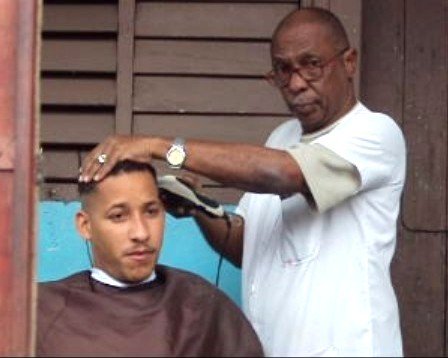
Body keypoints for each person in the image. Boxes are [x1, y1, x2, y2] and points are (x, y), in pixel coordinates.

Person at [79, 7, 406, 357]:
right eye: (283, 70)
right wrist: (197, 207)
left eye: (312, 64)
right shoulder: (282, 137)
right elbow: (244, 245)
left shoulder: (373, 133)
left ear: (349, 62)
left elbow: (285, 174)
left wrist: (160, 147)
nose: (296, 83)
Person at [36, 160, 264, 357]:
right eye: (118, 216)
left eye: (151, 212)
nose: (141, 233)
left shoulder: (201, 305)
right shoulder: (43, 311)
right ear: (85, 226)